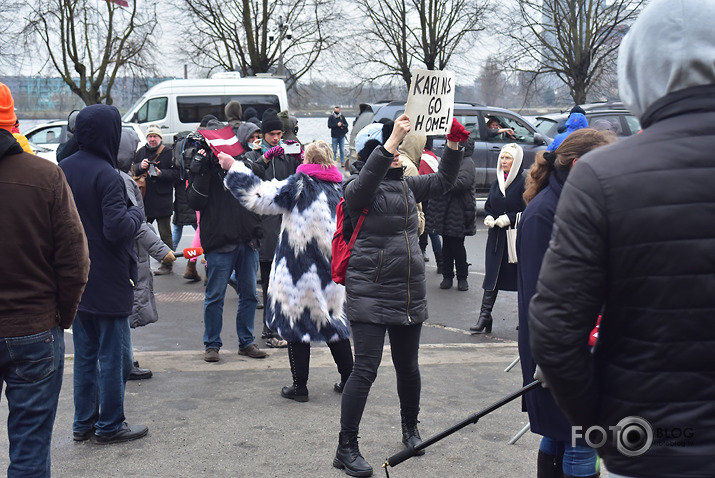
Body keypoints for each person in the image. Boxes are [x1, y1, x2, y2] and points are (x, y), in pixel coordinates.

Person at [529, 1, 715, 477]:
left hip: (646, 443)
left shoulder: (603, 174)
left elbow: (554, 333)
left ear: (637, 69)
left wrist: (603, 427)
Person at [333, 115, 465, 477]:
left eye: (394, 149)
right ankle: (346, 447)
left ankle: (411, 430)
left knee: (408, 367)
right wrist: (389, 142)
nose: (394, 154)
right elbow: (365, 185)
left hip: (407, 294)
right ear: (369, 153)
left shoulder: (407, 186)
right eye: (385, 149)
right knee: (365, 370)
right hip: (369, 293)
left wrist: (453, 146)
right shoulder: (356, 188)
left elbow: (445, 181)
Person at [218, 140, 354, 402]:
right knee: (334, 323)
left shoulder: (300, 185)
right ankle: (349, 380)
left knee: (296, 326)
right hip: (332, 270)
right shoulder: (342, 188)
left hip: (298, 270)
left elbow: (259, 196)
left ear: (307, 161)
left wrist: (233, 167)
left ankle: (299, 387)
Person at [0, 82, 89, 476]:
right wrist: (62, 317)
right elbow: (74, 261)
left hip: (34, 322)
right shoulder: (45, 176)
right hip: (33, 325)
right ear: (12, 122)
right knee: (31, 446)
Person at [517, 130, 615, 478]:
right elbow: (540, 294)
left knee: (564, 436)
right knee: (581, 441)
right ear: (577, 165)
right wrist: (553, 354)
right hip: (562, 348)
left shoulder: (571, 205)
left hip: (573, 343)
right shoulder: (545, 213)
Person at [59, 104, 149, 444]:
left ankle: (83, 423)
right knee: (112, 357)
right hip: (109, 276)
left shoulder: (63, 168)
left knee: (84, 355)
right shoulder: (108, 175)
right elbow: (116, 229)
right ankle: (110, 424)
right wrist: (137, 213)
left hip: (75, 275)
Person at [186, 120, 268, 362]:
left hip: (247, 236)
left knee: (250, 294)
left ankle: (246, 342)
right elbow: (195, 202)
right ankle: (212, 344)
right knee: (215, 295)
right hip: (219, 240)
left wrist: (234, 163)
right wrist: (201, 170)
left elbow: (259, 177)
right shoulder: (204, 166)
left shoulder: (240, 159)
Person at [117, 128, 177, 381]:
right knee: (121, 314)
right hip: (124, 256)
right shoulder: (120, 180)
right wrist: (162, 251)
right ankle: (123, 362)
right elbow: (136, 223)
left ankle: (123, 358)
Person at [244, 109, 302, 348]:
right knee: (268, 279)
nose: (276, 138)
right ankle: (269, 328)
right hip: (264, 224)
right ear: (264, 134)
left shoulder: (287, 153)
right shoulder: (253, 154)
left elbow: (300, 172)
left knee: (288, 278)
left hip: (286, 223)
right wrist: (266, 157)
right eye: (272, 134)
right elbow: (250, 179)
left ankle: (285, 323)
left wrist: (297, 150)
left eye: (279, 134)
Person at [471, 143, 525, 334]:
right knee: (491, 277)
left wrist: (509, 218)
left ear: (516, 160)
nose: (503, 161)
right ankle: (485, 316)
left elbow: (527, 210)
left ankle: (525, 317)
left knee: (520, 278)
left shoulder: (523, 183)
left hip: (513, 238)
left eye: (508, 158)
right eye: (502, 158)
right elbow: (489, 205)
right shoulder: (497, 182)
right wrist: (489, 216)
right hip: (496, 239)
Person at [427, 138, 477, 292]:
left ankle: (462, 277)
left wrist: (444, 182)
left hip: (460, 211)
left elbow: (462, 183)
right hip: (446, 210)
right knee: (447, 245)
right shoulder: (452, 160)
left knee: (457, 245)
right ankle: (447, 277)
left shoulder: (467, 162)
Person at [132, 124, 178, 275]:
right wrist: (140, 166)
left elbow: (176, 174)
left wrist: (161, 173)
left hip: (163, 199)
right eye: (150, 136)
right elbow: (133, 169)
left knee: (165, 234)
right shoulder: (141, 152)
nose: (152, 139)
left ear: (160, 138)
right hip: (145, 199)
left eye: (155, 137)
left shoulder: (168, 152)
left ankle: (167, 264)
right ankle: (139, 262)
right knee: (142, 233)